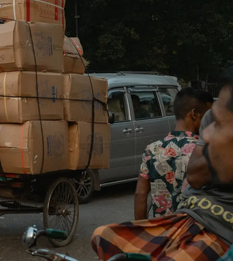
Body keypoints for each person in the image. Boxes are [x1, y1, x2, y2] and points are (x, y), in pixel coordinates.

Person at [92, 67, 233, 261]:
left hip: (212, 229)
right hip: (184, 218)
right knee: (103, 235)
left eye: (219, 124)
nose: (206, 133)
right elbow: (194, 177)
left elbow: (141, 194)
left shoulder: (153, 149)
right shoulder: (198, 141)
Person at [134, 88, 210, 220]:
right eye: (209, 117)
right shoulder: (204, 151)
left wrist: (142, 231)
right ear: (194, 114)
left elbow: (140, 194)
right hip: (194, 232)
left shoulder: (151, 149)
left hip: (162, 230)